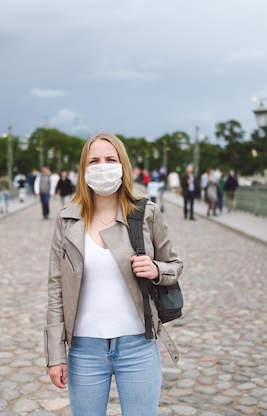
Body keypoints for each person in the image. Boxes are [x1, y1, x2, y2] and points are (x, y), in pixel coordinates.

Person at [44, 132, 183, 416]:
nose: (102, 166)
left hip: (138, 346)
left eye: (110, 159)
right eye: (94, 161)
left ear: (123, 165)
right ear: (84, 170)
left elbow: (174, 266)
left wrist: (156, 269)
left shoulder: (146, 213)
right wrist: (55, 355)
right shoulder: (67, 219)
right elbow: (56, 290)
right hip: (84, 350)